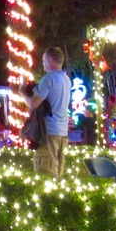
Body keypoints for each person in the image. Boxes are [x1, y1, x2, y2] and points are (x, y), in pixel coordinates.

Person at [26, 47, 71, 177]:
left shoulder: (49, 79)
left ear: (51, 60)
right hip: (62, 132)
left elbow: (33, 103)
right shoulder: (66, 80)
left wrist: (23, 93)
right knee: (58, 173)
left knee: (45, 175)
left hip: (48, 132)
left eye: (44, 60)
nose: (43, 64)